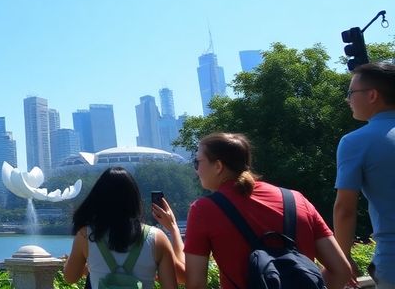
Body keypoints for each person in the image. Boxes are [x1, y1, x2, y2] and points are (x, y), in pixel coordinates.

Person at [180, 132, 350, 289]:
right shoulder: (296, 199)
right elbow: (341, 270)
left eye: (197, 162)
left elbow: (195, 284)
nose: (196, 170)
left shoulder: (203, 210)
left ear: (218, 166)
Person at [64, 167, 178, 289]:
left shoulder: (85, 235)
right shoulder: (157, 238)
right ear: (134, 198)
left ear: (98, 198)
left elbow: (70, 278)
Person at [335, 62, 395, 288]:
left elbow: (345, 209)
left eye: (351, 93)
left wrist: (341, 258)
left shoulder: (356, 142)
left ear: (372, 95)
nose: (348, 99)